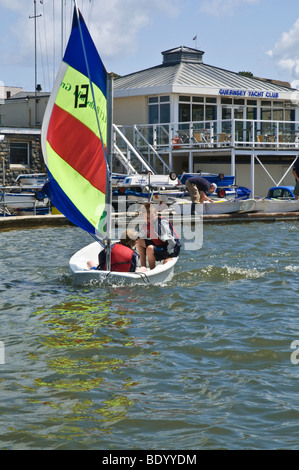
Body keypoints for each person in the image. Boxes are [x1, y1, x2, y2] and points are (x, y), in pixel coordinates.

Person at [136, 203, 181, 270]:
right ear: (143, 217)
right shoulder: (145, 225)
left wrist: (169, 256)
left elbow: (172, 242)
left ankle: (152, 270)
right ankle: (143, 267)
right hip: (160, 246)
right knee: (139, 241)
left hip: (171, 248)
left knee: (150, 248)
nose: (149, 219)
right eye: (147, 218)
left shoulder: (161, 224)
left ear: (156, 214)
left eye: (151, 217)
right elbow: (137, 237)